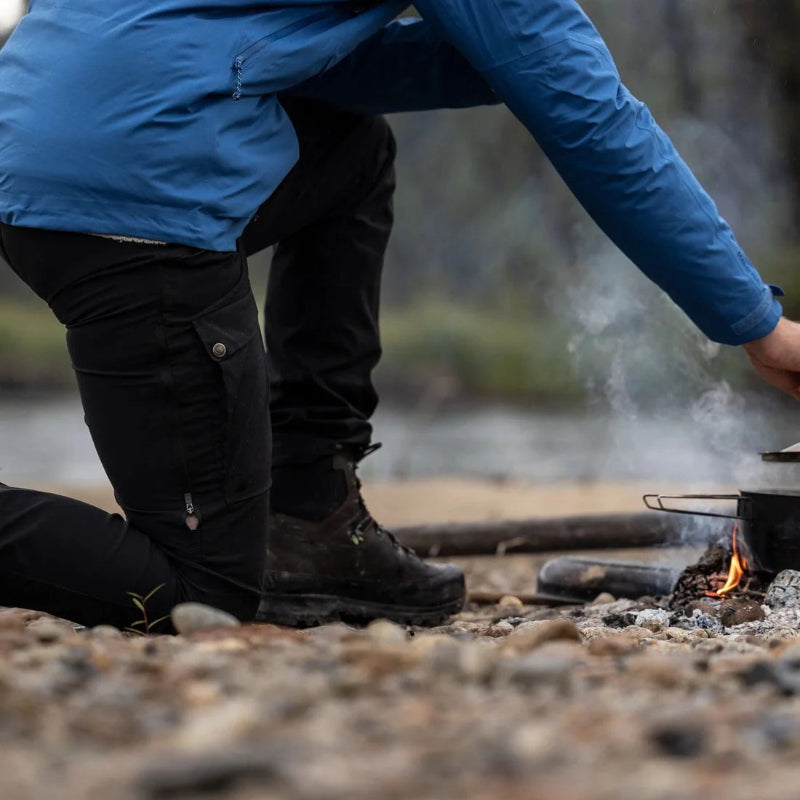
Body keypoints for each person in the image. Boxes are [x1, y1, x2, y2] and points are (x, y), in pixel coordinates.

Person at [0, 0, 799, 633]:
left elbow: (288, 57)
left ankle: (308, 509)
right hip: (134, 194)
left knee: (350, 157)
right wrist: (757, 326)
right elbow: (593, 123)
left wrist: (520, 53)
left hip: (33, 146)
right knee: (200, 591)